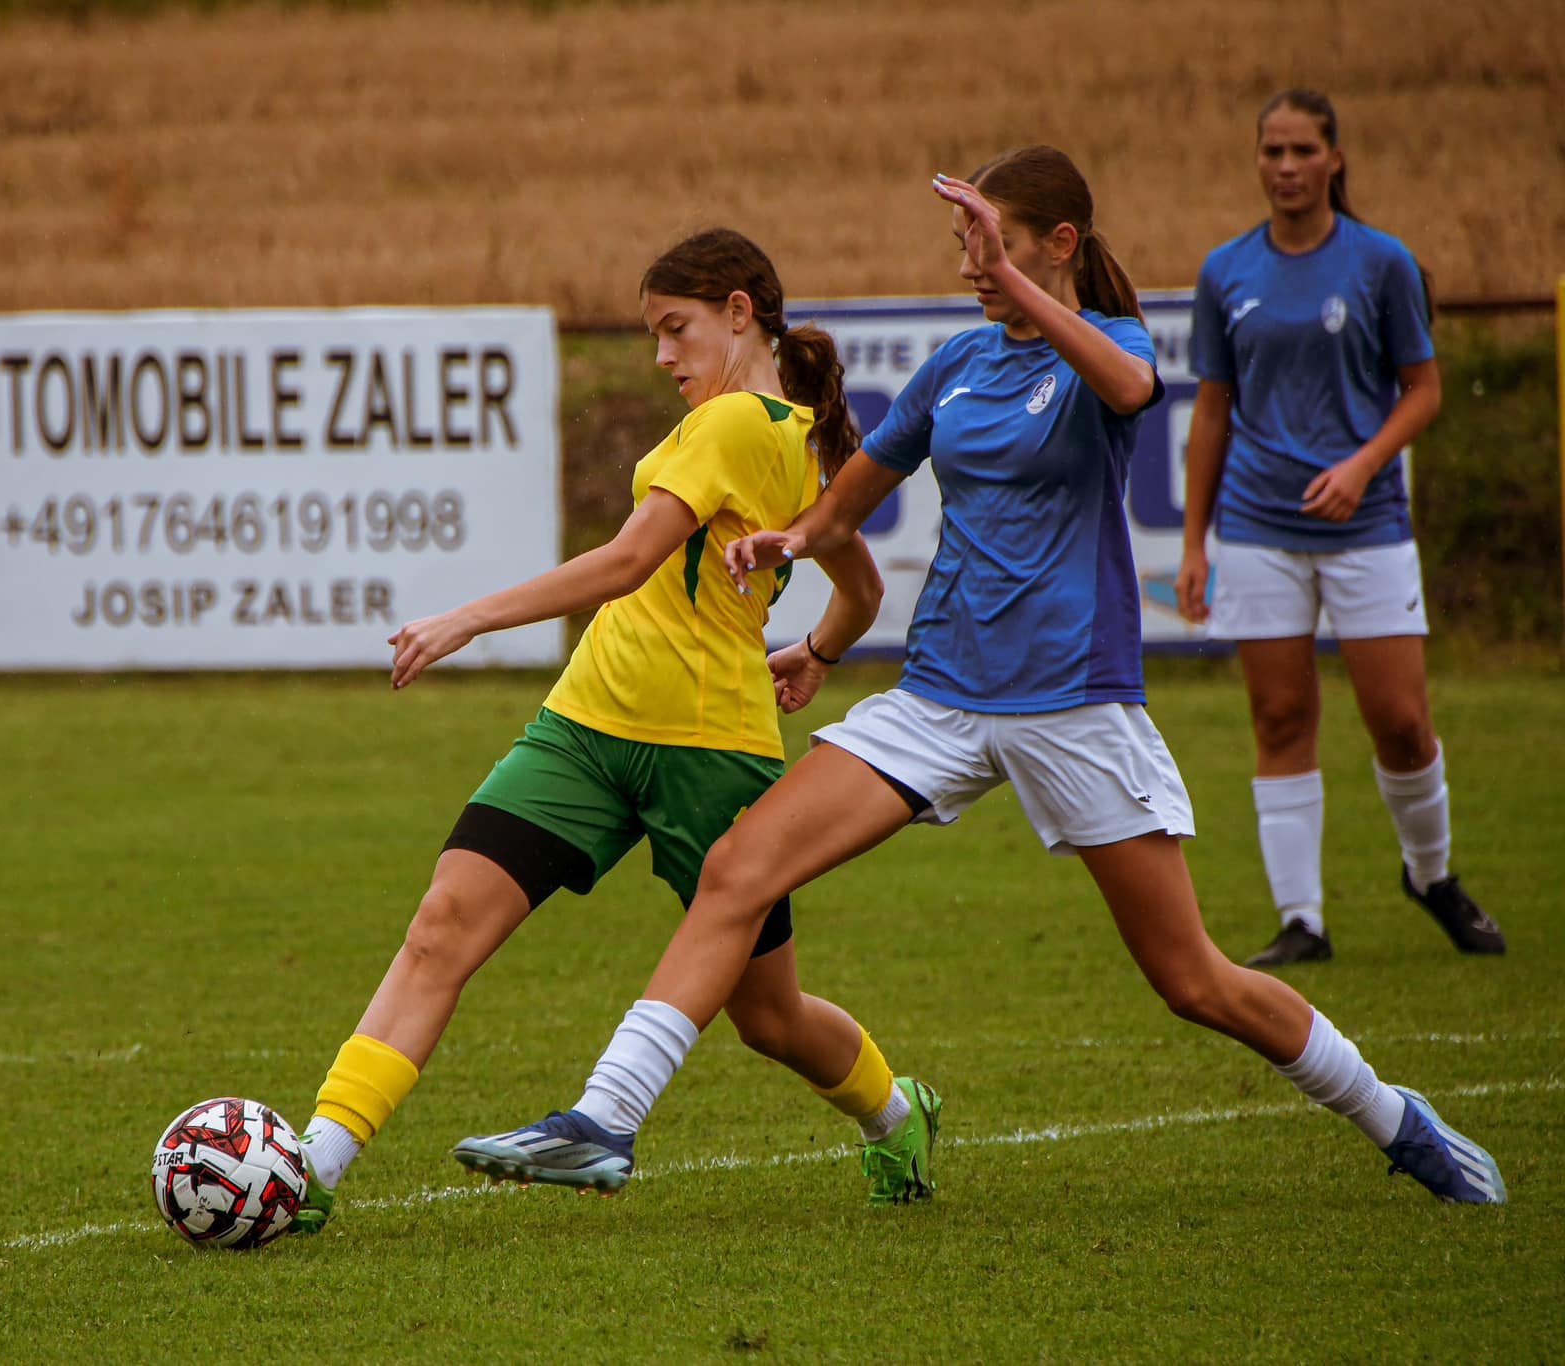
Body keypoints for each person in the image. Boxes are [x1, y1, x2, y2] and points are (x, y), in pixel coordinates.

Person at [456, 148, 1506, 1207]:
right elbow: (847, 501)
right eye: (966, 245)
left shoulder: (1114, 346)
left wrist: (1015, 287)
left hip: (1073, 706)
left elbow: (1133, 389)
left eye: (991, 243)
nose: (971, 265)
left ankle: (1394, 1116)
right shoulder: (957, 362)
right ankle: (605, 1120)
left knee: (1193, 981)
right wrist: (799, 563)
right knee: (736, 870)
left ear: (1059, 245)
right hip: (939, 699)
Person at [292, 228, 941, 1233]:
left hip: (708, 750)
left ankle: (896, 1114)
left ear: (738, 312)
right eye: (652, 335)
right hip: (584, 726)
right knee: (442, 924)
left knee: (769, 1018)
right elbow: (858, 588)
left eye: (675, 329)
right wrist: (818, 649)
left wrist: (467, 618)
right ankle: (311, 1166)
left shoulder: (737, 423)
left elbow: (628, 561)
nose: (661, 356)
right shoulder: (801, 438)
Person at [1175, 88, 1502, 967]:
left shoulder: (1380, 262)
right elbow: (1212, 412)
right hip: (1257, 527)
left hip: (1369, 526)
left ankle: (1430, 875)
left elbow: (1422, 390)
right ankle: (1303, 921)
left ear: (1335, 158)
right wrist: (1196, 542)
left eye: (1302, 150)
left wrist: (1363, 466)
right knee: (1281, 717)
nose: (1286, 167)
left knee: (1400, 722)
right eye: (1271, 151)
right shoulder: (1225, 271)